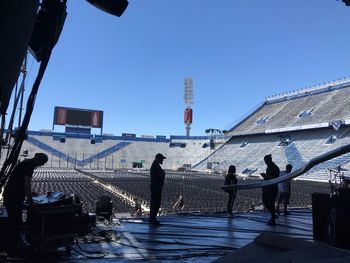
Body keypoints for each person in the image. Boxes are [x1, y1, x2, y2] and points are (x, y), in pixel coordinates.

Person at [3, 153, 48, 258]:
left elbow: (20, 183)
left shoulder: (25, 163)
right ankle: (12, 252)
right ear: (38, 160)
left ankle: (11, 248)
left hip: (11, 195)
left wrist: (30, 194)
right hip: (13, 198)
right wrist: (31, 202)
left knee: (14, 223)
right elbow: (27, 185)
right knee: (14, 224)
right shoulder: (29, 167)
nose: (39, 166)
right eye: (41, 163)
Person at [260, 154, 280, 226]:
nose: (265, 163)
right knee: (266, 202)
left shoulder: (275, 168)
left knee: (270, 203)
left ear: (269, 160)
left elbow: (274, 179)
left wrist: (266, 177)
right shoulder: (269, 167)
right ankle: (273, 216)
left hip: (272, 188)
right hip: (268, 187)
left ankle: (273, 218)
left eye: (265, 161)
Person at [149, 153, 166, 225]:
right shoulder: (156, 166)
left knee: (155, 202)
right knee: (155, 202)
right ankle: (153, 218)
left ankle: (153, 218)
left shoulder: (156, 165)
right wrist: (163, 174)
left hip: (156, 186)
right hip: (156, 186)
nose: (162, 160)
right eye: (161, 159)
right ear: (157, 158)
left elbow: (162, 174)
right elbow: (161, 174)